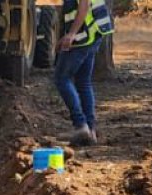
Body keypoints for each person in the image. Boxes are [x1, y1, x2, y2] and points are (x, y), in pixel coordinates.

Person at [54, 0, 114, 146]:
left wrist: (71, 34)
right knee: (83, 81)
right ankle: (90, 130)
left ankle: (80, 125)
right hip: (93, 32)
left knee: (62, 78)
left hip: (84, 34)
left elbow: (84, 5)